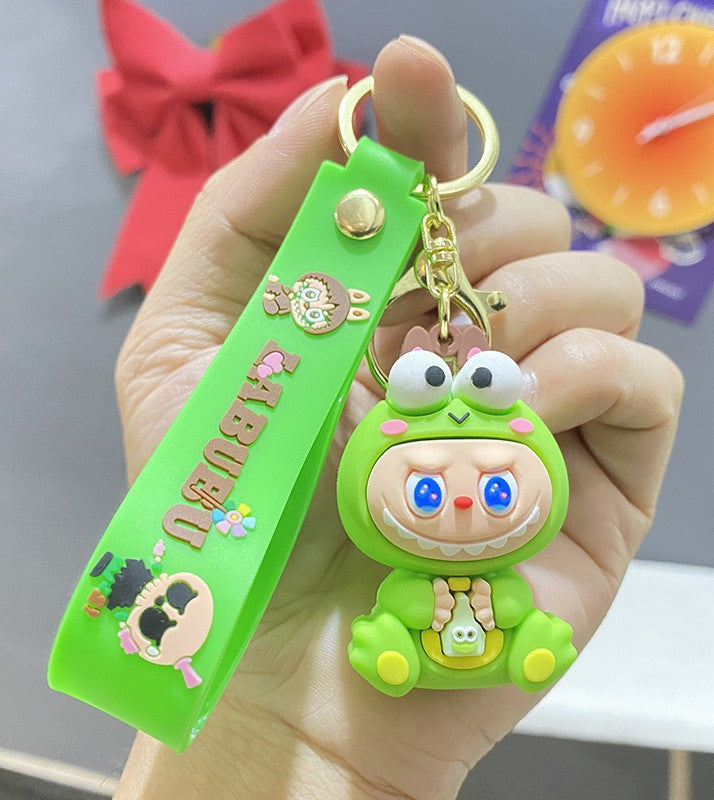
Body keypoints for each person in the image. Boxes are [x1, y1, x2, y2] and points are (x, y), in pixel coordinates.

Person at [113, 35, 682, 800]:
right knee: (408, 616)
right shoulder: (388, 508)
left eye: (498, 492)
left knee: (513, 613)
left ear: (527, 439)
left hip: (472, 634)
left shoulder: (506, 536)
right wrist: (263, 723)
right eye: (426, 492)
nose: (462, 504)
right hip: (336, 619)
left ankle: (511, 643)